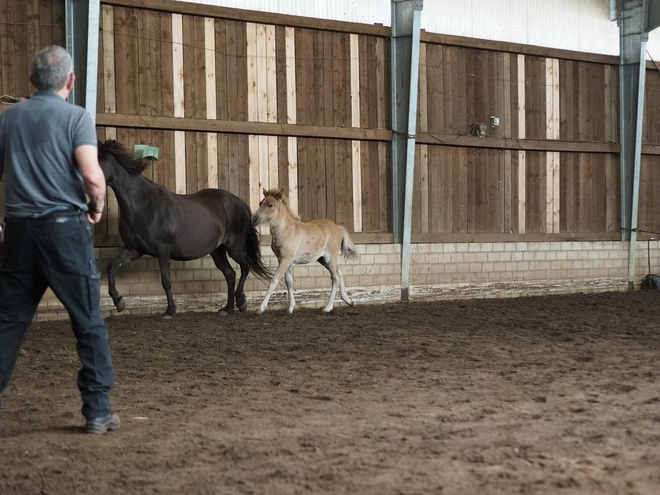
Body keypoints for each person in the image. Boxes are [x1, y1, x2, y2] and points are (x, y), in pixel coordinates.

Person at [0, 45, 119, 434]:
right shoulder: (77, 117)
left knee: (7, 322)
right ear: (70, 80)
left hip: (18, 232)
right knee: (88, 320)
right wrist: (97, 206)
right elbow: (90, 174)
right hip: (64, 231)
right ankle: (98, 411)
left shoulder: (8, 118)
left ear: (31, 80)